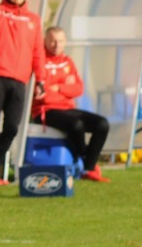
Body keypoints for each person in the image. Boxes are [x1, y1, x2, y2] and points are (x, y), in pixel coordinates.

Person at [0, 0, 47, 186]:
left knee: (12, 128)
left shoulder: (33, 19)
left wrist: (41, 79)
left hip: (19, 80)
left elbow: (38, 51)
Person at [32, 26, 111, 183]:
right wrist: (65, 88)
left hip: (67, 108)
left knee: (102, 124)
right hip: (45, 111)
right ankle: (87, 163)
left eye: (60, 41)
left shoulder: (67, 62)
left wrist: (58, 87)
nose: (57, 45)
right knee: (76, 125)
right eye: (53, 41)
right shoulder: (39, 62)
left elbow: (79, 89)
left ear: (65, 42)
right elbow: (44, 97)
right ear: (45, 41)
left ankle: (88, 167)